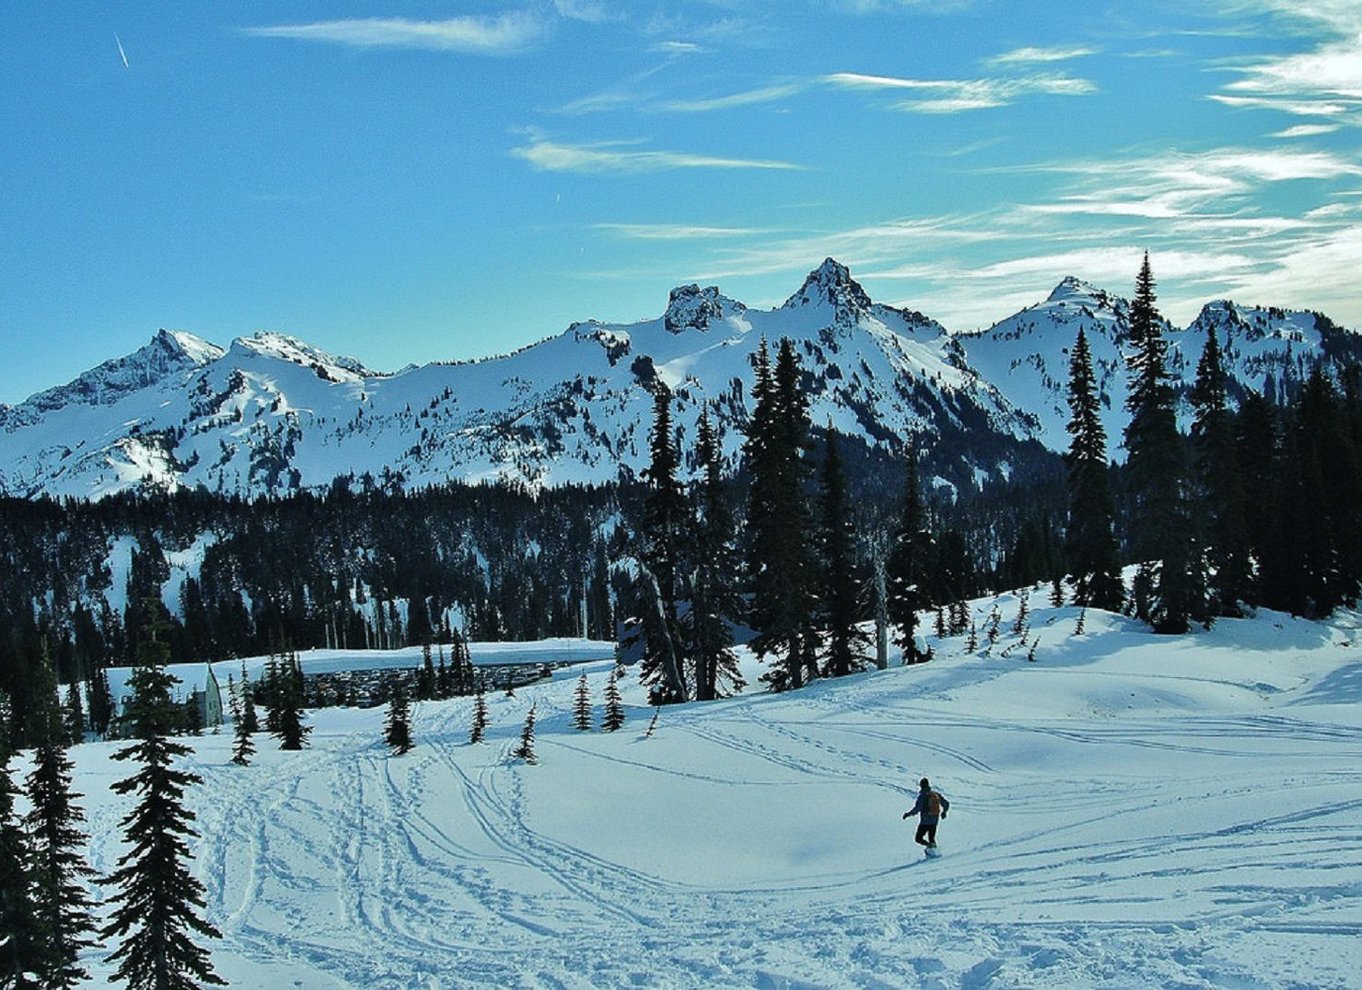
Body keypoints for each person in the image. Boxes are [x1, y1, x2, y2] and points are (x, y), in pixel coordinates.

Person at [903, 777, 949, 849]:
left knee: (918, 838)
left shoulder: (922, 796)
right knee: (931, 838)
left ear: (921, 786)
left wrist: (908, 814)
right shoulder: (935, 794)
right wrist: (944, 812)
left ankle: (931, 848)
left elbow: (917, 809)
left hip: (925, 821)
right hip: (935, 820)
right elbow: (946, 803)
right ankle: (935, 851)